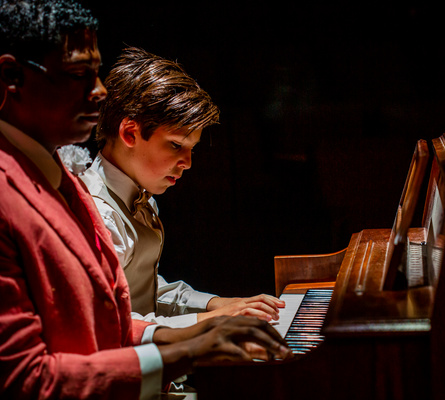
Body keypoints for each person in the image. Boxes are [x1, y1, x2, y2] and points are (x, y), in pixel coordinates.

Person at [0, 1, 290, 399]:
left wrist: (211, 317)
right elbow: (25, 378)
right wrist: (189, 345)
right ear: (11, 76)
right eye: (79, 75)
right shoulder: (24, 195)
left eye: (97, 75)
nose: (100, 92)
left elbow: (112, 312)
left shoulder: (62, 176)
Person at [74, 46, 285, 329]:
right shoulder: (98, 214)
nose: (187, 163)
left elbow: (142, 292)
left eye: (191, 149)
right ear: (129, 133)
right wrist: (213, 319)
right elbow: (110, 324)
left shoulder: (140, 193)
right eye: (176, 145)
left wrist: (217, 304)